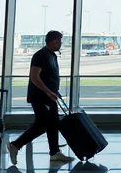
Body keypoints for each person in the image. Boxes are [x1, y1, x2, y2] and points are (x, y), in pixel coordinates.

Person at [8, 30, 74, 165]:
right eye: (60, 41)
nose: (61, 44)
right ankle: (15, 145)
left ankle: (55, 152)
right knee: (42, 124)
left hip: (50, 96)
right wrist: (47, 91)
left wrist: (53, 92)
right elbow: (34, 76)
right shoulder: (41, 55)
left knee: (54, 123)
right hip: (40, 97)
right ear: (54, 41)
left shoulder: (51, 55)